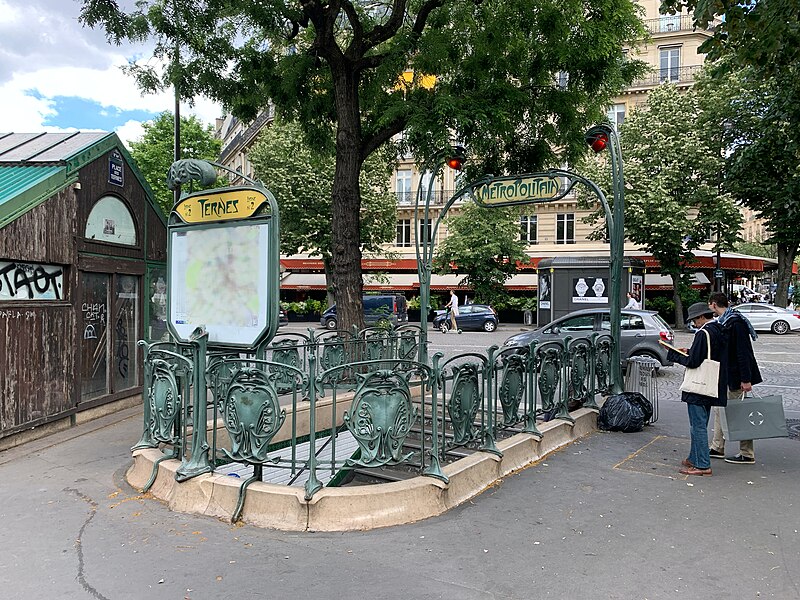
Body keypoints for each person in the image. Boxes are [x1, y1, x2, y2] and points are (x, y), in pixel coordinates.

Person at [666, 302, 728, 476]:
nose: (693, 323)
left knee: (697, 425)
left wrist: (674, 354)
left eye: (694, 319)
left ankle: (702, 464)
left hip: (698, 387)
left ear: (702, 317)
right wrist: (691, 351)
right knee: (700, 422)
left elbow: (693, 362)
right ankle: (694, 458)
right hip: (712, 383)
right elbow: (707, 353)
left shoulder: (703, 333)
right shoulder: (718, 329)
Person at [708, 292, 762, 464]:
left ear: (714, 304)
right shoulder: (727, 321)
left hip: (736, 377)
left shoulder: (735, 323)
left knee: (740, 413)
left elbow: (743, 353)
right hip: (727, 375)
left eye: (710, 305)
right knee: (720, 409)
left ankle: (747, 453)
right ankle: (717, 447)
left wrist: (746, 379)